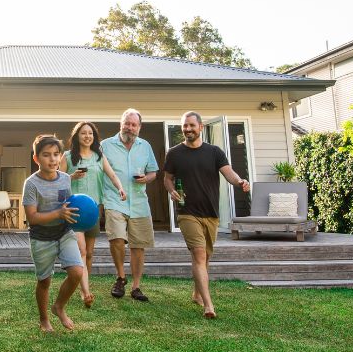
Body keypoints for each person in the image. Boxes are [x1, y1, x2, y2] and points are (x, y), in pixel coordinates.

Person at [163, 111, 250, 319]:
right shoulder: (174, 153)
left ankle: (196, 293)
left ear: (201, 127)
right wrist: (171, 190)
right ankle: (208, 305)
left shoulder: (214, 152)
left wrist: (240, 182)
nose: (188, 129)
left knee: (205, 257)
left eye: (192, 125)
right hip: (187, 212)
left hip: (211, 213)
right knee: (199, 254)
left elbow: (229, 173)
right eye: (185, 126)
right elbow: (167, 178)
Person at [60, 121, 127, 308]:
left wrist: (120, 188)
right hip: (74, 210)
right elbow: (56, 179)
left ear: (94, 137)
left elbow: (112, 174)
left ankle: (83, 285)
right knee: (81, 251)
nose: (87, 136)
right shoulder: (68, 156)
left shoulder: (99, 156)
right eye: (83, 133)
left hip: (94, 210)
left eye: (90, 133)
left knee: (89, 253)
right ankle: (85, 292)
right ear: (77, 137)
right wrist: (71, 177)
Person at [22, 133, 84, 332]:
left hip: (64, 232)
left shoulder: (66, 179)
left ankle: (59, 307)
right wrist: (58, 212)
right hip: (41, 237)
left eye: (56, 154)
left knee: (76, 272)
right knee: (44, 281)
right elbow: (32, 217)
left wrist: (79, 215)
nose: (53, 159)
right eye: (47, 155)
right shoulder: (31, 184)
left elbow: (68, 205)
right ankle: (44, 319)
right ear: (36, 158)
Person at [100, 108, 158, 302]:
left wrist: (146, 179)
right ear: (121, 124)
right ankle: (121, 277)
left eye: (134, 125)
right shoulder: (106, 146)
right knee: (116, 237)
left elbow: (153, 173)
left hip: (139, 203)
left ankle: (136, 286)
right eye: (127, 123)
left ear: (139, 127)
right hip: (114, 199)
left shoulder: (145, 146)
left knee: (138, 245)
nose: (130, 128)